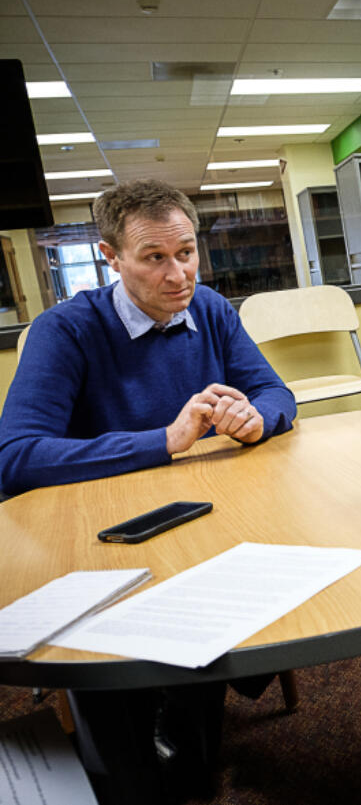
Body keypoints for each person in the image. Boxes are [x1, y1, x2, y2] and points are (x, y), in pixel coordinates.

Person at [0, 179, 297, 804]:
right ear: (111, 257)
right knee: (130, 771)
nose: (177, 274)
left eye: (186, 252)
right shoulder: (66, 330)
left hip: (197, 521)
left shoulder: (211, 309)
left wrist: (254, 419)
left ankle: (188, 716)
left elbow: (277, 395)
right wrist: (163, 439)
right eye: (154, 258)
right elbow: (16, 458)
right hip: (95, 537)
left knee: (193, 770)